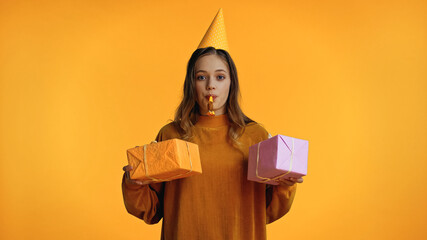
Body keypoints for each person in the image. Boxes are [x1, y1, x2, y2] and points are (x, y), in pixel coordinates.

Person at [121, 46, 303, 240]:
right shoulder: (172, 134)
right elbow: (152, 211)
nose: (210, 85)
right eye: (201, 77)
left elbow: (266, 212)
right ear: (191, 84)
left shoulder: (255, 136)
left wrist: (284, 185)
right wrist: (134, 184)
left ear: (231, 83)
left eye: (220, 77)